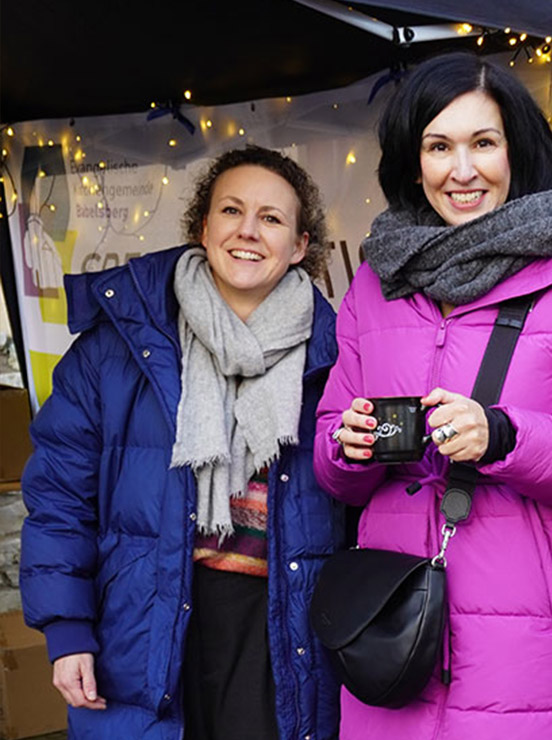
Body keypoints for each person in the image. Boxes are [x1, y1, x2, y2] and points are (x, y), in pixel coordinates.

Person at [312, 52, 552, 739]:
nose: (461, 170)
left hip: (526, 641)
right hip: (392, 622)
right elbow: (332, 465)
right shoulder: (378, 281)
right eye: (439, 146)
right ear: (414, 163)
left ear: (516, 152)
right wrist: (348, 448)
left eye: (482, 143)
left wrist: (503, 436)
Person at [19, 146, 344, 739]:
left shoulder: (338, 356)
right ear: (203, 226)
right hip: (145, 623)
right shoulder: (115, 347)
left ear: (300, 246)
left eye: (271, 218)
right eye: (231, 210)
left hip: (286, 627)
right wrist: (67, 628)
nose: (248, 230)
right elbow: (61, 497)